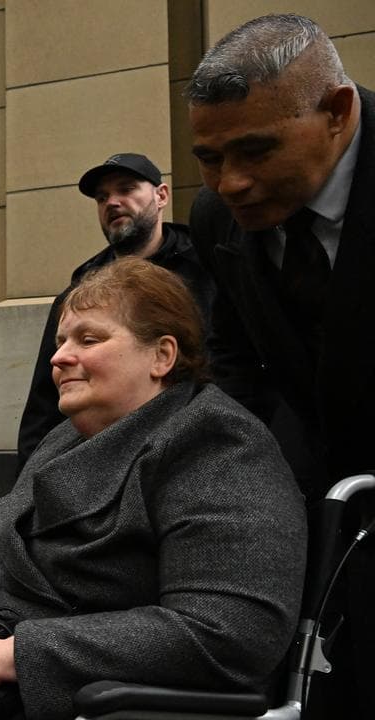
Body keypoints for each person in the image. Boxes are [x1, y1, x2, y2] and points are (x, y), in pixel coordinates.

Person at [0, 258, 306, 720]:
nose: (58, 357)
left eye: (88, 339)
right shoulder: (66, 438)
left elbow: (229, 631)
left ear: (162, 356)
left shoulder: (215, 445)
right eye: (60, 341)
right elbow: (41, 558)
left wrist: (10, 656)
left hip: (97, 703)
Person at [185, 13, 375, 717]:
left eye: (256, 150)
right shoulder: (215, 220)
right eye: (209, 158)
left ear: (337, 110)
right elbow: (237, 358)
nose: (231, 183)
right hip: (323, 519)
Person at [15, 153, 214, 474]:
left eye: (126, 189)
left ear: (161, 195)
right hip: (102, 464)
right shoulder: (79, 291)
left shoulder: (206, 269)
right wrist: (27, 489)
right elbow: (43, 404)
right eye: (102, 197)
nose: (112, 202)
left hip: (195, 454)